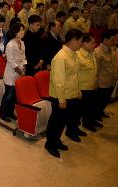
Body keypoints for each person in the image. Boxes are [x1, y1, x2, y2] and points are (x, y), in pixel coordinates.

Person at [45, 29, 83, 158]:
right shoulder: (61, 57)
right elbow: (58, 82)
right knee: (56, 121)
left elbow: (74, 76)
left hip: (70, 94)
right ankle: (50, 143)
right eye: (80, 42)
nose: (81, 45)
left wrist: (77, 91)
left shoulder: (73, 53)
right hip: (61, 97)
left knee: (63, 121)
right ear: (73, 41)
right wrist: (62, 100)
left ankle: (56, 140)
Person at [0, 23, 26, 122]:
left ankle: (10, 113)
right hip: (11, 72)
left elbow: (23, 57)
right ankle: (3, 114)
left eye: (23, 30)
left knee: (14, 95)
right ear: (15, 32)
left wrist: (24, 67)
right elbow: (11, 61)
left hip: (19, 72)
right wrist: (20, 71)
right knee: (8, 95)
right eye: (20, 30)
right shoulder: (10, 45)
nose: (23, 32)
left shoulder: (22, 43)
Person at [94, 29, 118, 121]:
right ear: (105, 39)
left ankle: (100, 112)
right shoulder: (98, 52)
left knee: (105, 101)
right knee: (99, 101)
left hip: (111, 81)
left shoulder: (112, 49)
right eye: (112, 39)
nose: (114, 41)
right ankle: (95, 116)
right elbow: (96, 70)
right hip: (102, 83)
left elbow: (115, 63)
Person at [77, 33, 100, 132]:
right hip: (83, 87)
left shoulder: (92, 52)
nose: (94, 44)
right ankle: (83, 124)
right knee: (81, 110)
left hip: (92, 85)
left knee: (91, 106)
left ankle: (90, 121)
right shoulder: (78, 55)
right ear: (84, 43)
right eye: (92, 42)